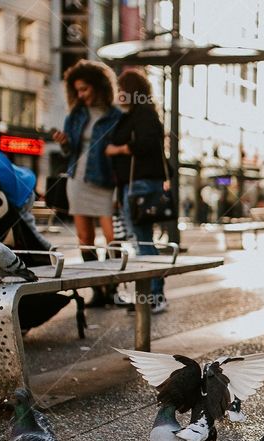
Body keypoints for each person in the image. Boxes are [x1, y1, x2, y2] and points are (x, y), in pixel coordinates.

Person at [53, 60, 122, 307]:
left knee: (113, 238)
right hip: (78, 180)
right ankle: (97, 290)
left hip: (105, 182)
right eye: (77, 91)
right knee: (85, 238)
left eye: (85, 89)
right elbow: (68, 151)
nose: (81, 95)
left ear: (99, 86)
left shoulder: (116, 116)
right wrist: (63, 142)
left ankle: (112, 286)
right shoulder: (77, 114)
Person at [106, 69, 170, 314]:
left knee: (142, 241)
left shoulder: (143, 114)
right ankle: (150, 294)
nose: (118, 94)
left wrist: (118, 150)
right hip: (134, 185)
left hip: (141, 185)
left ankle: (155, 294)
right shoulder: (137, 113)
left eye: (121, 89)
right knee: (141, 240)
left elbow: (145, 143)